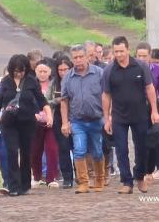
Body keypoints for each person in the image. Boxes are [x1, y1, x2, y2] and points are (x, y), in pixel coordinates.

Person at [102, 36, 159, 194]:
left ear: (128, 49)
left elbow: (150, 89)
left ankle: (140, 177)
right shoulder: (109, 70)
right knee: (121, 149)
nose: (119, 54)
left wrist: (154, 110)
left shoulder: (140, 66)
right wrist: (106, 118)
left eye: (121, 51)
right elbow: (106, 95)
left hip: (140, 113)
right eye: (116, 52)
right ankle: (126, 182)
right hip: (119, 115)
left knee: (141, 147)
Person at [0, 54, 53, 197]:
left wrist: (48, 115)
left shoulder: (31, 82)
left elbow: (41, 100)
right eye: (16, 71)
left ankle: (24, 184)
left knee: (26, 153)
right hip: (9, 122)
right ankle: (13, 185)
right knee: (12, 151)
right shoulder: (6, 82)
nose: (19, 74)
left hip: (27, 122)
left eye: (22, 71)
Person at [61, 44, 105, 194]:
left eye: (81, 56)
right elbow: (64, 101)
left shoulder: (99, 73)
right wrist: (64, 122)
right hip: (77, 121)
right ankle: (83, 182)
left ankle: (99, 179)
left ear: (87, 57)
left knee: (97, 151)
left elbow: (107, 96)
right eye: (75, 58)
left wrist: (108, 116)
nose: (78, 60)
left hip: (96, 119)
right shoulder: (67, 77)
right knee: (79, 150)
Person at [135, 42, 159, 184]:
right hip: (137, 109)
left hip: (154, 109)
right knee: (139, 140)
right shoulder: (131, 70)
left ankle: (155, 168)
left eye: (144, 55)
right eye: (139, 56)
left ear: (150, 56)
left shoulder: (157, 69)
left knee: (155, 138)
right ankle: (140, 170)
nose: (142, 58)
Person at [31, 59, 59, 188]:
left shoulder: (54, 84)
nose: (42, 74)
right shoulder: (31, 84)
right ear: (35, 72)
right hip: (35, 122)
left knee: (52, 149)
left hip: (51, 122)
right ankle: (36, 176)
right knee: (35, 150)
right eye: (39, 71)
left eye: (45, 71)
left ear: (50, 72)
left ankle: (51, 177)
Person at [51, 56, 74, 189]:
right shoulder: (54, 83)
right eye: (60, 69)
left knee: (77, 147)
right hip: (59, 117)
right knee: (63, 147)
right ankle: (67, 177)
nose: (63, 72)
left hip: (75, 115)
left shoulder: (75, 80)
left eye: (66, 69)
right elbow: (45, 100)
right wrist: (57, 100)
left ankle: (81, 175)